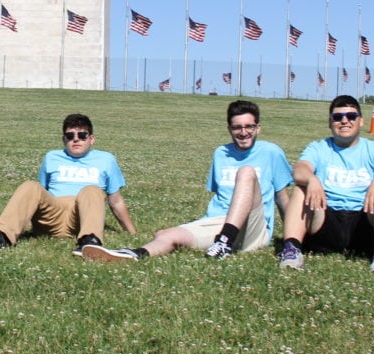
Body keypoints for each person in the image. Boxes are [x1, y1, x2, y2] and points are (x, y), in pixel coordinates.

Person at [81, 100, 291, 262]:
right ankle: (133, 254)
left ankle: (224, 243)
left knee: (246, 172)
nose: (243, 132)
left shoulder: (271, 152)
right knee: (166, 234)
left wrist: (294, 240)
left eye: (249, 127)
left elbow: (282, 199)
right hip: (219, 222)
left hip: (253, 228)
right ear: (229, 128)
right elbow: (220, 196)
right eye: (237, 127)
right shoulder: (221, 153)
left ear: (258, 128)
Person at [279, 95, 374, 275]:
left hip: (363, 221)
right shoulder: (319, 148)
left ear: (361, 121)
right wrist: (312, 179)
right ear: (330, 123)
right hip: (325, 222)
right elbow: (300, 170)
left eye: (351, 116)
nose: (344, 121)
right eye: (338, 117)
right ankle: (291, 250)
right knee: (301, 188)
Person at [0, 113, 135, 255]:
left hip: (80, 217)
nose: (76, 139)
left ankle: (89, 241)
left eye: (82, 135)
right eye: (70, 136)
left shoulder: (106, 160)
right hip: (52, 216)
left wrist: (131, 232)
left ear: (91, 139)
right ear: (64, 139)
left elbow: (116, 200)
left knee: (92, 190)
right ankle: (0, 236)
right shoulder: (52, 157)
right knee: (31, 186)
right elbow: (40, 193)